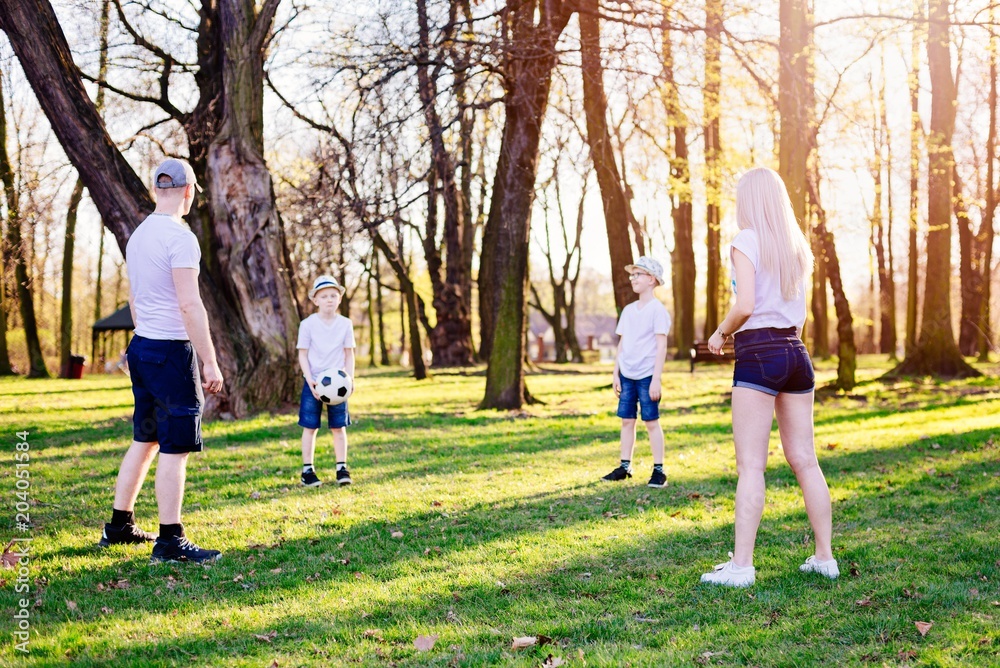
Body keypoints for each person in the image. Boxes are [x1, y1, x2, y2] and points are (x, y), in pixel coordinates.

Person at [700, 167, 837, 587]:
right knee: (805, 460)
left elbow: (745, 303)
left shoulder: (746, 240)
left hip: (758, 351)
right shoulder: (796, 246)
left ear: (749, 200)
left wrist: (721, 333)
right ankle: (824, 558)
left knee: (752, 466)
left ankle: (741, 567)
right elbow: (800, 314)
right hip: (796, 352)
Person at [98, 158, 223, 564]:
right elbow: (190, 303)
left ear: (157, 190)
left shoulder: (138, 236)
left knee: (146, 437)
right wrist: (210, 361)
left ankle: (119, 526)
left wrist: (144, 344)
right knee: (175, 447)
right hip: (170, 351)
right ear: (188, 192)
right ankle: (170, 541)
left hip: (144, 347)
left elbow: (135, 300)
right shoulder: (180, 237)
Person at [603, 256, 671, 488]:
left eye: (638, 274)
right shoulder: (629, 311)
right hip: (627, 375)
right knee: (627, 421)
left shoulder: (657, 311)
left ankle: (659, 471)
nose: (632, 278)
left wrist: (656, 379)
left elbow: (661, 346)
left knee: (651, 422)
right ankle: (625, 466)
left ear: (651, 279)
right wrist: (615, 373)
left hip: (646, 376)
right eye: (631, 275)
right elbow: (622, 343)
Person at [297, 275, 356, 487]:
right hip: (314, 383)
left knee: (339, 427)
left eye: (333, 295)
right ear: (316, 300)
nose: (329, 299)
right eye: (324, 296)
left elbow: (349, 354)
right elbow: (302, 354)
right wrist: (309, 379)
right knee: (310, 426)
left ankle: (342, 467)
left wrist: (350, 379)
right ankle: (307, 471)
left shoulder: (345, 324)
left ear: (339, 299)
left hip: (338, 384)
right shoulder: (307, 324)